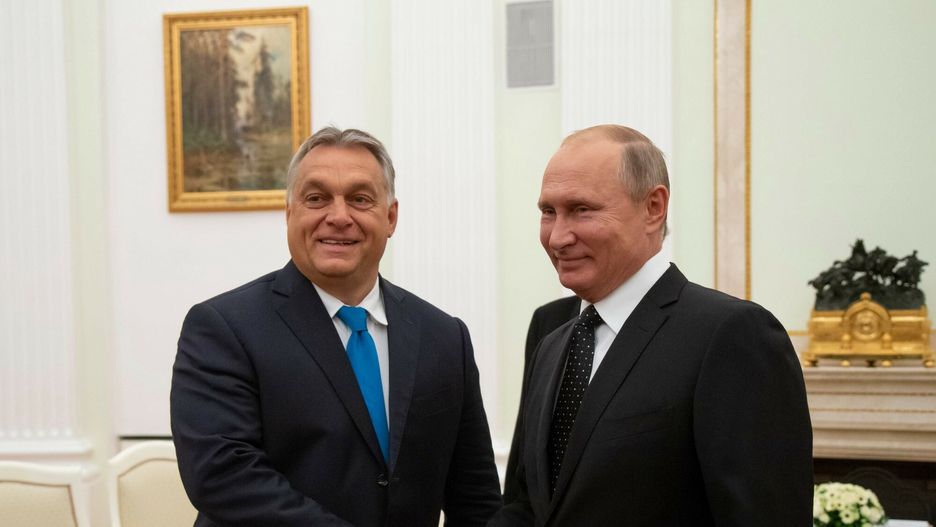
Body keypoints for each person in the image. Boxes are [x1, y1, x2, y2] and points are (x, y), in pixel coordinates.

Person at [171, 126, 501, 527]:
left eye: (360, 199)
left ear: (391, 216)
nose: (339, 217)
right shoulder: (223, 329)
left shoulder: (445, 337)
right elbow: (222, 475)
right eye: (316, 198)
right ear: (290, 212)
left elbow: (476, 496)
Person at [490, 125, 812, 526]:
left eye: (582, 210)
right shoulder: (552, 343)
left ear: (654, 207)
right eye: (548, 212)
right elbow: (526, 505)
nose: (557, 237)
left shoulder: (731, 335)